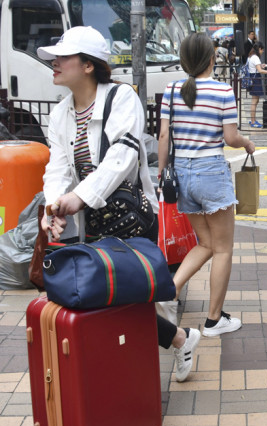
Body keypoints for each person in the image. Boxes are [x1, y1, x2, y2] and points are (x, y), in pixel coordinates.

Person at [37, 26, 201, 383]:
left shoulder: (121, 98)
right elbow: (58, 168)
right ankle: (174, 343)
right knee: (114, 298)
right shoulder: (61, 114)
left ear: (88, 65)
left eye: (62, 56)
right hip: (92, 223)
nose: (54, 63)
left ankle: (154, 361)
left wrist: (76, 199)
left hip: (130, 220)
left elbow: (123, 157)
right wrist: (53, 208)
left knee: (128, 295)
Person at [157, 32, 255, 339]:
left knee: (206, 243)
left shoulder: (172, 90)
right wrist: (248, 143)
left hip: (181, 176)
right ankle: (214, 321)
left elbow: (163, 137)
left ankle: (169, 291)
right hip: (211, 171)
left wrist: (162, 177)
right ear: (212, 57)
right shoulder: (223, 91)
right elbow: (230, 138)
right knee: (223, 248)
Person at [245, 41, 267, 128]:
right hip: (255, 80)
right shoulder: (255, 57)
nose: (262, 52)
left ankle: (253, 120)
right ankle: (253, 121)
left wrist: (261, 66)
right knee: (254, 102)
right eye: (262, 50)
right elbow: (259, 71)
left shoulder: (251, 56)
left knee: (255, 101)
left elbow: (256, 68)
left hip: (252, 79)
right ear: (259, 49)